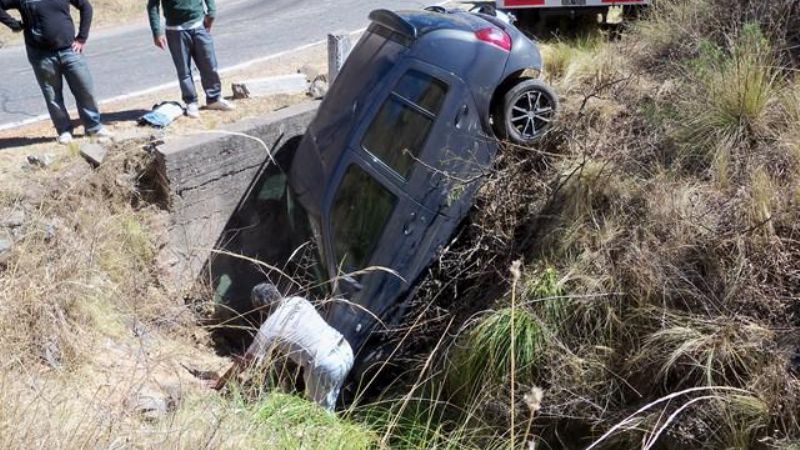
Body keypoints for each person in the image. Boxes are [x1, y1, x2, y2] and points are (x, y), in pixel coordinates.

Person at [212, 283, 354, 412]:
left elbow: (245, 362)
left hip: (323, 364)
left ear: (261, 308)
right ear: (277, 293)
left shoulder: (268, 329)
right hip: (345, 350)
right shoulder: (298, 301)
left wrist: (221, 383)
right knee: (329, 405)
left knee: (319, 414)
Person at [0, 0, 109, 144]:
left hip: (70, 50)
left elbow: (86, 7)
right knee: (52, 96)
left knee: (85, 90)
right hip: (41, 55)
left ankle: (93, 127)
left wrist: (82, 37)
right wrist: (13, 24)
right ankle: (64, 131)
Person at [147, 0, 234, 118]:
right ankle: (191, 102)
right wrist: (157, 31)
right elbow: (152, 5)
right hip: (175, 31)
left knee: (209, 65)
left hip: (198, 25)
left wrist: (211, 12)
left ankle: (214, 98)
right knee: (184, 71)